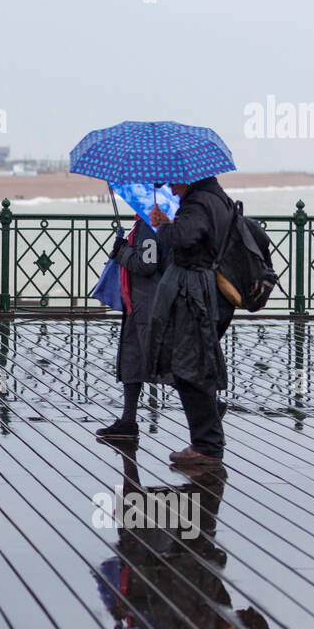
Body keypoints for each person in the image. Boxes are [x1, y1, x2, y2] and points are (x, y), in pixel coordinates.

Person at [147, 174, 236, 468]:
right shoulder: (216, 198)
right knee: (196, 363)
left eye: (173, 182)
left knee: (189, 366)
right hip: (207, 290)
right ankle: (209, 436)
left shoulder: (198, 202)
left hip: (194, 293)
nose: (170, 189)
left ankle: (206, 445)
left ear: (188, 178)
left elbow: (183, 239)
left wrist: (163, 225)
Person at [95, 210, 168, 439]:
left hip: (148, 303)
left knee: (167, 365)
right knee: (132, 360)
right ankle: (128, 419)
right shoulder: (146, 222)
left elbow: (147, 265)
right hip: (137, 301)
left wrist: (123, 252)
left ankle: (208, 409)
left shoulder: (148, 225)